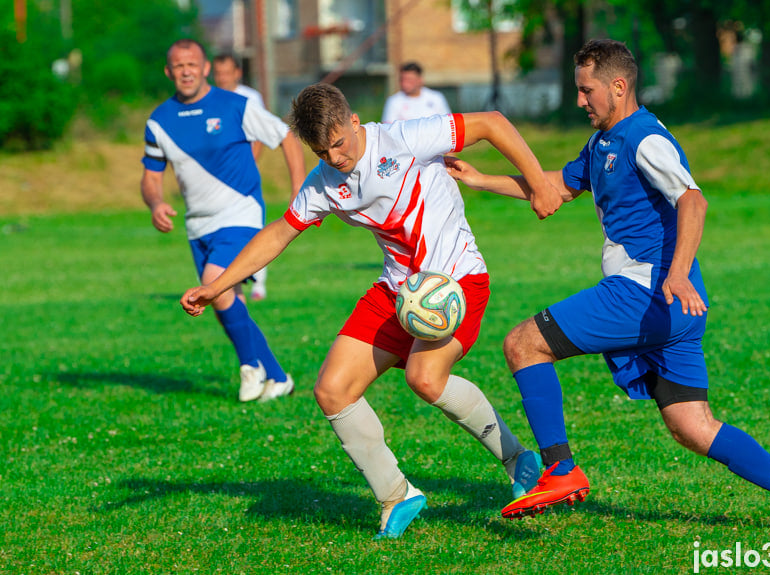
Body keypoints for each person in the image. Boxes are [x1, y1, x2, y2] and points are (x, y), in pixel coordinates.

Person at [445, 39, 770, 536]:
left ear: (618, 86)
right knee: (692, 426)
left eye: (587, 92)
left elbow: (693, 201)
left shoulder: (644, 139)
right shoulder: (603, 142)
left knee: (524, 343)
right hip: (676, 305)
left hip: (648, 291)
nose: (580, 101)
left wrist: (674, 272)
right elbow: (555, 188)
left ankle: (560, 470)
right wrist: (479, 180)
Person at [181, 82, 562, 539]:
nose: (336, 157)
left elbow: (491, 124)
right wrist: (217, 286)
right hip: (397, 292)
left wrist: (539, 184)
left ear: (355, 121)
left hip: (454, 282)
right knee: (332, 390)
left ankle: (518, 460)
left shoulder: (404, 139)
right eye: (323, 151)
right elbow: (280, 232)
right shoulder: (324, 182)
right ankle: (397, 494)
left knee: (424, 378)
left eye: (340, 143)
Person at [141, 39, 306, 403]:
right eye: (177, 65)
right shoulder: (159, 122)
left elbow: (286, 137)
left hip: (240, 213)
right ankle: (278, 377)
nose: (185, 71)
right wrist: (155, 203)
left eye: (192, 64)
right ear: (169, 72)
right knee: (225, 300)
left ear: (204, 69)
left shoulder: (236, 106)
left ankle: (250, 367)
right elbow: (152, 176)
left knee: (212, 285)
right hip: (197, 225)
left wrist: (298, 191)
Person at [212, 52, 270, 300]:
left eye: (227, 73)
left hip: (243, 177)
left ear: (237, 73)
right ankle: (220, 279)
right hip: (217, 178)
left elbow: (259, 135)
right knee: (219, 225)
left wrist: (249, 165)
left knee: (253, 228)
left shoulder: (250, 97)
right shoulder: (210, 98)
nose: (222, 78)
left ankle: (258, 282)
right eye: (218, 73)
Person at [382, 61, 451, 123]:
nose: (404, 84)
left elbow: (447, 123)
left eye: (409, 80)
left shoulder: (436, 98)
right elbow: (388, 128)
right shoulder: (394, 101)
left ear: (420, 80)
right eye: (402, 80)